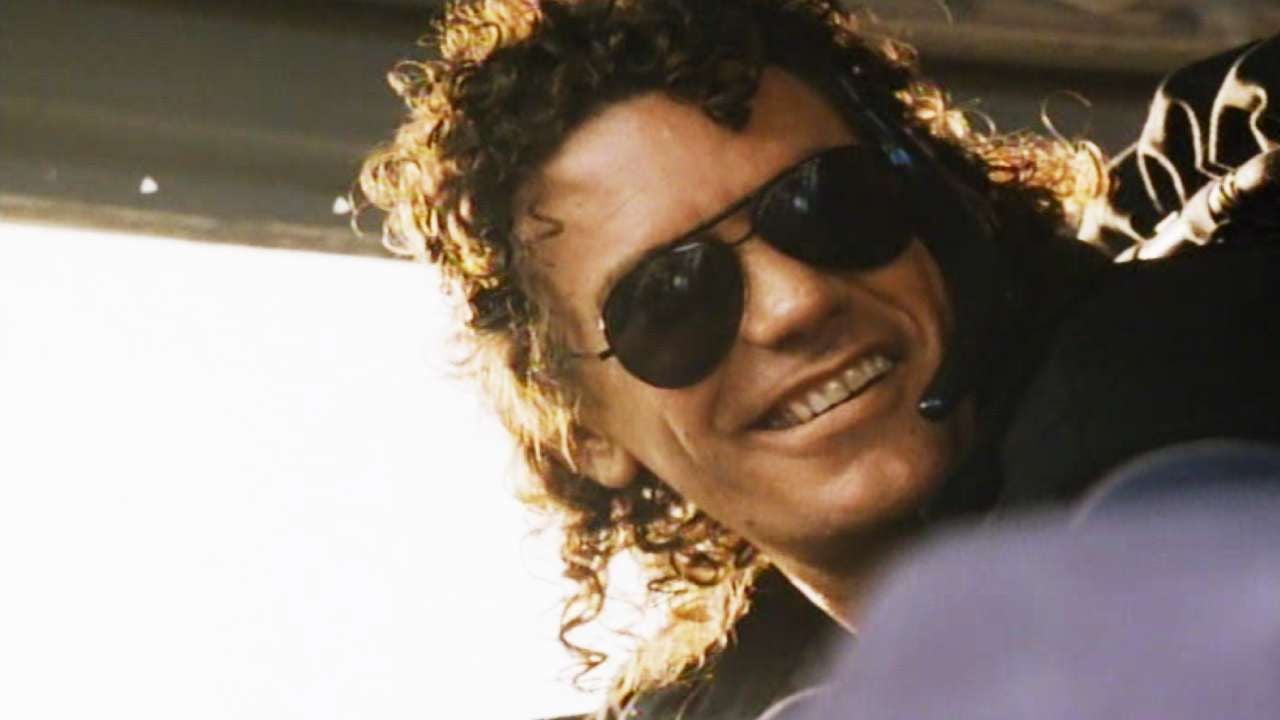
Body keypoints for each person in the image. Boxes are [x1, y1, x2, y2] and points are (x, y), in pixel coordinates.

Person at [357, 2, 1280, 717]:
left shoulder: (1188, 371)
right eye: (671, 299)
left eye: (827, 204)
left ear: (935, 208)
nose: (795, 303)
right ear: (584, 432)